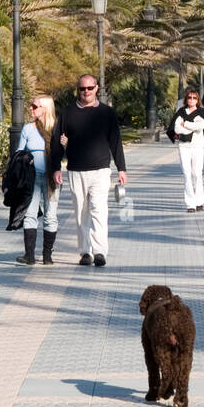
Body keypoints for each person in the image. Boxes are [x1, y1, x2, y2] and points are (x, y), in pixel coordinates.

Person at [48, 73, 126, 267]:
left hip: (100, 169)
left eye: (90, 88)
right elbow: (57, 140)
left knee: (99, 210)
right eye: (82, 89)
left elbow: (116, 141)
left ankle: (100, 251)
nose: (86, 92)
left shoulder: (107, 113)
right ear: (78, 90)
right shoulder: (68, 112)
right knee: (81, 211)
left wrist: (121, 168)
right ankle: (85, 252)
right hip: (76, 170)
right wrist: (56, 167)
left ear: (97, 88)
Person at [15, 95, 59, 264]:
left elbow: (66, 153)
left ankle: (47, 256)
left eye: (35, 106)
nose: (31, 109)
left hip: (52, 177)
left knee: (50, 216)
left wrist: (65, 144)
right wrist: (26, 158)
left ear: (45, 109)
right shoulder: (28, 128)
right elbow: (19, 151)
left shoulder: (57, 128)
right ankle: (30, 255)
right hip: (31, 177)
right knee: (30, 214)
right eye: (31, 106)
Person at [173, 89, 204, 211]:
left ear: (198, 100)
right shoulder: (181, 112)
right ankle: (190, 204)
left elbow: (200, 127)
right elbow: (177, 129)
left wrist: (185, 124)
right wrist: (191, 127)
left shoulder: (201, 112)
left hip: (197, 146)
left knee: (197, 174)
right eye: (189, 97)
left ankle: (199, 201)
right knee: (187, 174)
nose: (192, 100)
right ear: (186, 99)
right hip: (184, 146)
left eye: (194, 98)